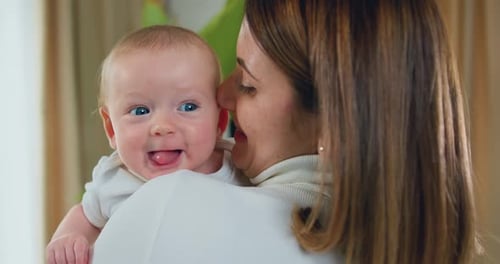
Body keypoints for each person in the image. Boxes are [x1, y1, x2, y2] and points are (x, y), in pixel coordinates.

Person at [90, 0, 479, 263]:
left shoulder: (170, 207)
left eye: (248, 84)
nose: (221, 95)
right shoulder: (399, 242)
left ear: (336, 119)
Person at [46, 25, 238, 264]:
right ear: (111, 129)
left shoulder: (236, 166)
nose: (162, 126)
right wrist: (68, 237)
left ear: (219, 121)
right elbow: (85, 214)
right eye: (140, 110)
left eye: (187, 107)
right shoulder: (115, 180)